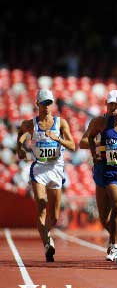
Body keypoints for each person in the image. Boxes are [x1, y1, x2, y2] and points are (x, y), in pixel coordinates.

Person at [17, 89, 76, 262]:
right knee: (42, 205)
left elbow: (72, 145)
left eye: (49, 102)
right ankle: (47, 243)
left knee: (55, 217)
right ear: (37, 104)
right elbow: (21, 132)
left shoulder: (61, 123)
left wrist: (57, 139)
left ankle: (47, 233)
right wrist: (19, 148)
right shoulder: (30, 124)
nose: (47, 106)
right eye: (44, 103)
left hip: (56, 169)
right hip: (39, 169)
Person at [88, 92, 117, 264]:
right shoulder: (103, 122)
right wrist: (95, 153)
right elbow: (90, 136)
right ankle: (114, 244)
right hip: (111, 173)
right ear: (116, 105)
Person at [79, 90, 117, 259]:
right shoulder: (99, 122)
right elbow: (82, 142)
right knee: (104, 216)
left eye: (116, 104)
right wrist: (100, 144)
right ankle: (116, 237)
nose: (113, 107)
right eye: (110, 104)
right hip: (102, 168)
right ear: (106, 105)